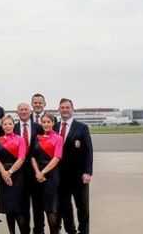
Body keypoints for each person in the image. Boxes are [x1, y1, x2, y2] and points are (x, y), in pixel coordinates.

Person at [56, 99, 92, 234]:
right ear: (59, 109)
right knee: (65, 207)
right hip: (60, 176)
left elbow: (88, 151)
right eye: (62, 107)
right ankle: (70, 230)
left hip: (79, 175)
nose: (65, 110)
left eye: (67, 107)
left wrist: (88, 172)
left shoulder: (82, 127)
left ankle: (84, 231)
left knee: (82, 208)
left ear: (72, 109)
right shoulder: (54, 127)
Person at [31, 113, 64, 234]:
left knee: (50, 208)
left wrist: (43, 172)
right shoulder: (37, 137)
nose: (46, 124)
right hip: (38, 175)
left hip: (50, 175)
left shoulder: (58, 138)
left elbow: (56, 158)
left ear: (53, 123)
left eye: (48, 122)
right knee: (38, 207)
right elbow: (33, 157)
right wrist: (37, 172)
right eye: (43, 122)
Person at [15, 102, 45, 234]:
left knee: (38, 204)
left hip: (35, 171)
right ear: (17, 112)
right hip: (18, 172)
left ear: (30, 111)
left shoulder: (39, 128)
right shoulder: (12, 128)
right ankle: (25, 231)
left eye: (26, 109)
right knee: (23, 205)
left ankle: (39, 230)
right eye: (21, 110)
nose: (23, 112)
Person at [0, 115, 28, 234]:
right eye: (5, 124)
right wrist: (4, 173)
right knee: (8, 208)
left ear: (14, 125)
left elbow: (21, 158)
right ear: (2, 126)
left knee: (18, 208)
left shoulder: (20, 139)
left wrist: (9, 172)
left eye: (10, 124)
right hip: (3, 175)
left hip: (17, 174)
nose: (8, 126)